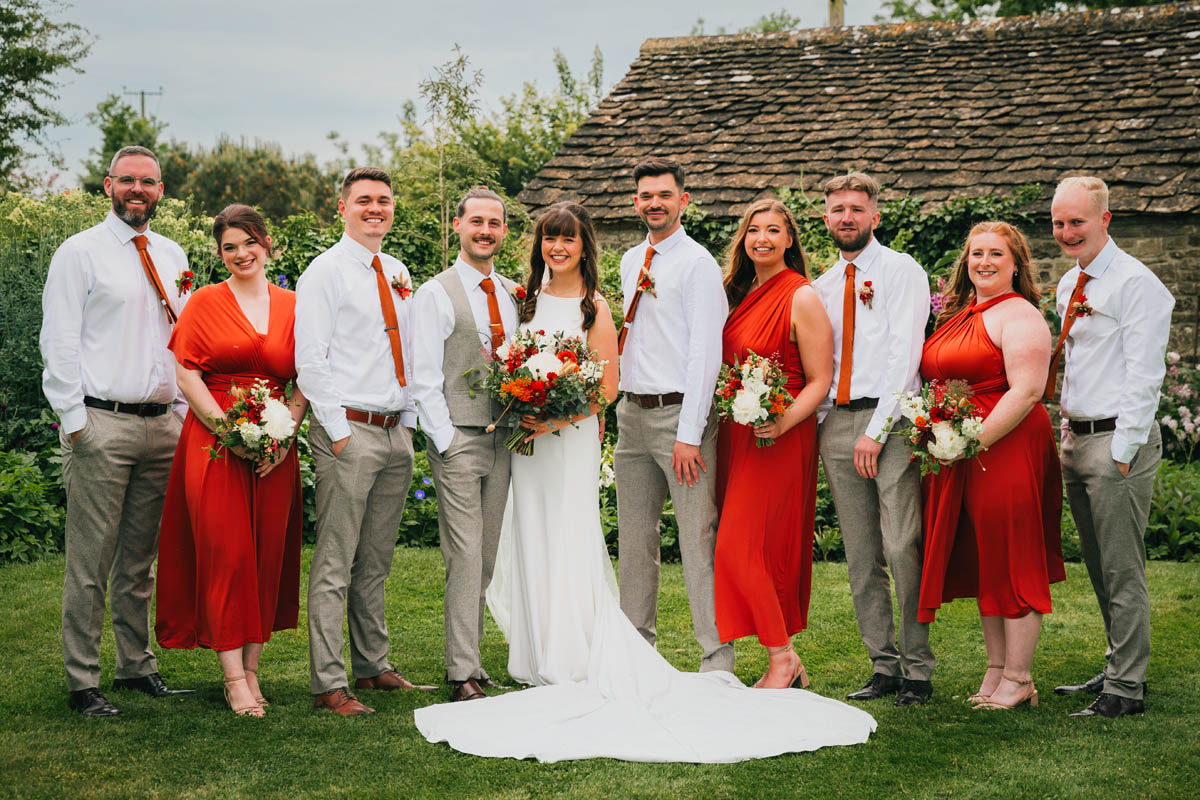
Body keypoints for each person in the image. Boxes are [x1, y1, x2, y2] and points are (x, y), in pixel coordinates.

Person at [415, 202, 876, 763]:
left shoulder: (602, 305)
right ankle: (542, 653)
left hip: (593, 432)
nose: (558, 247)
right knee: (542, 536)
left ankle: (698, 660)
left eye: (569, 239)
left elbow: (618, 378)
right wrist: (528, 403)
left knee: (628, 535)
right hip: (539, 442)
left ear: (586, 246)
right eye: (549, 239)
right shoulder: (524, 300)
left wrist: (560, 416)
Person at [41, 145, 194, 716]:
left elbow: (179, 341)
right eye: (127, 180)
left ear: (161, 190)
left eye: (148, 182)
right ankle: (83, 681)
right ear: (108, 185)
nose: (138, 189)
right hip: (101, 423)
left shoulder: (172, 253)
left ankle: (137, 666)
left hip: (162, 427)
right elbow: (58, 342)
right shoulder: (78, 253)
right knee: (91, 562)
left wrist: (180, 411)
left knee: (139, 561)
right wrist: (77, 424)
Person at [155, 205, 308, 717]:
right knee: (229, 555)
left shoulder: (294, 304)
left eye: (249, 242)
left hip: (275, 451)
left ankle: (254, 669)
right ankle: (232, 677)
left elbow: (307, 374)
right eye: (230, 247)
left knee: (265, 555)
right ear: (220, 254)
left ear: (268, 245)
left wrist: (284, 434)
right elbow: (187, 375)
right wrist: (230, 432)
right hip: (214, 446)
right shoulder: (203, 302)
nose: (242, 253)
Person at [296, 167, 428, 716]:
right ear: (343, 207)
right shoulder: (324, 273)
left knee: (375, 561)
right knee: (335, 560)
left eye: (384, 200)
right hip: (349, 431)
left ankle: (372, 666)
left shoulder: (396, 271)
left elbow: (413, 352)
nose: (376, 208)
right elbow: (310, 360)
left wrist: (412, 423)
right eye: (365, 201)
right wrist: (340, 432)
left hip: (395, 432)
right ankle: (329, 681)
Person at [918, 222, 1065, 710]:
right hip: (965, 449)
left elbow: (1025, 391)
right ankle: (997, 669)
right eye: (976, 253)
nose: (983, 261)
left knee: (1014, 556)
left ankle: (1020, 677)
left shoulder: (1019, 315)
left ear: (1016, 263)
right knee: (987, 559)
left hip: (1005, 446)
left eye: (995, 254)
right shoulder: (965, 314)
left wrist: (972, 441)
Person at [1048, 176, 1173, 719]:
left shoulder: (1136, 284)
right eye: (1059, 223)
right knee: (1099, 565)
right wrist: (1065, 435)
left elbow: (1145, 375)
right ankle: (1118, 662)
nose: (1067, 232)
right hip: (1078, 439)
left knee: (1123, 568)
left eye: (1077, 221)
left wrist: (1123, 450)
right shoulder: (1069, 283)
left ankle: (1126, 689)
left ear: (1105, 219)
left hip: (1120, 440)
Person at [812, 172, 935, 707]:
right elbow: (822, 363)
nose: (846, 217)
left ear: (874, 216)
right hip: (836, 424)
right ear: (825, 218)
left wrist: (876, 432)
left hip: (891, 422)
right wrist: (821, 423)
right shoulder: (819, 286)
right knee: (862, 554)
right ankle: (882, 666)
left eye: (856, 209)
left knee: (901, 544)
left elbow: (904, 360)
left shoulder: (901, 270)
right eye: (837, 209)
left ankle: (918, 669)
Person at [614, 157, 734, 674]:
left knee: (697, 538)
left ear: (684, 201)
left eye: (664, 194)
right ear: (636, 201)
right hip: (631, 417)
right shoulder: (628, 260)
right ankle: (636, 652)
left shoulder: (697, 264)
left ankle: (716, 655)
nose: (654, 203)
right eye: (645, 195)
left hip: (681, 418)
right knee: (634, 539)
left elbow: (706, 352)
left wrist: (689, 432)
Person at [713, 200, 833, 689]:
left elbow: (820, 379)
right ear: (744, 240)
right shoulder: (743, 293)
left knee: (738, 547)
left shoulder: (800, 295)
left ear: (789, 240)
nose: (762, 239)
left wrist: (780, 423)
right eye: (753, 231)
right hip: (740, 436)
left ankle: (782, 658)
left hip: (780, 438)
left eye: (774, 231)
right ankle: (785, 658)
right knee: (747, 548)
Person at [411, 186, 521, 702]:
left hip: (504, 440)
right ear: (457, 226)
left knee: (488, 556)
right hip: (460, 439)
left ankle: (472, 661)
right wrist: (447, 439)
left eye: (494, 223)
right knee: (465, 553)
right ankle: (461, 675)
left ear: (504, 230)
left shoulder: (512, 293)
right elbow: (422, 376)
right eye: (476, 221)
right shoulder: (437, 293)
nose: (485, 230)